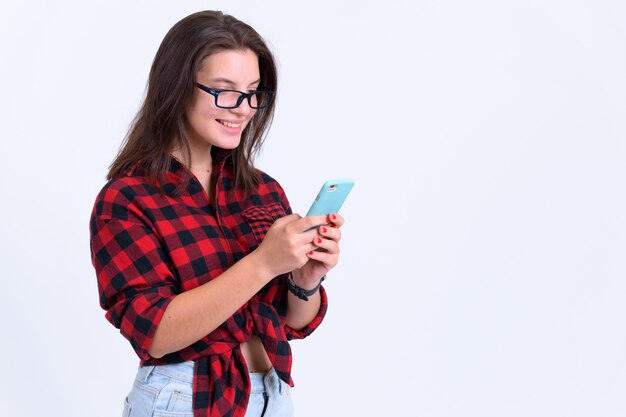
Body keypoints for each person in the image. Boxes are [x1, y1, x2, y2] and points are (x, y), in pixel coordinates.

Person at [89, 10, 344, 417]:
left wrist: (305, 280)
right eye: (225, 90)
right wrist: (263, 263)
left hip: (272, 396)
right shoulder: (127, 200)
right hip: (183, 399)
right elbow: (155, 332)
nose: (243, 108)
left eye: (253, 92)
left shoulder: (261, 189)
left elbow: (293, 323)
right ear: (176, 88)